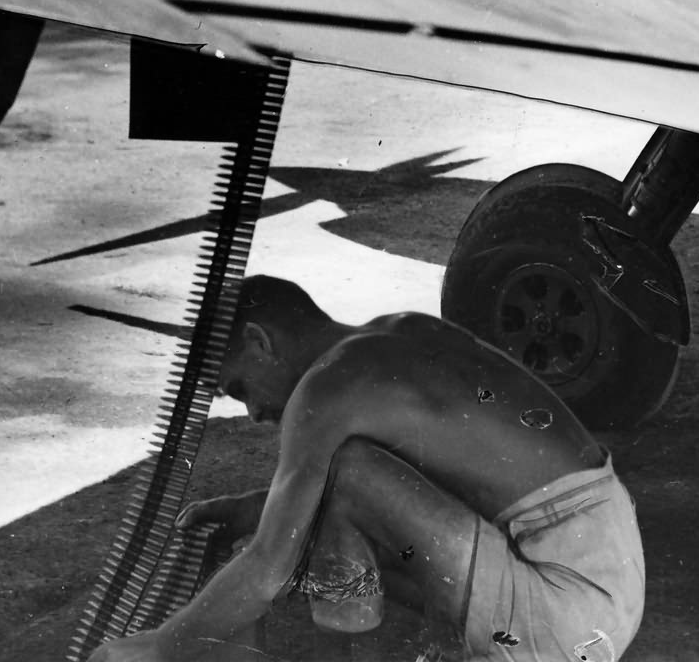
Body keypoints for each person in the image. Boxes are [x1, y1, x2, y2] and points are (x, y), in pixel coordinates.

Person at [87, 275, 646, 661]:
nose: (254, 411)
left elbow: (266, 568)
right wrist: (256, 509)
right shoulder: (396, 331)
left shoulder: (326, 391)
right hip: (605, 586)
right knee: (322, 493)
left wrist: (161, 647)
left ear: (260, 342)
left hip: (562, 609)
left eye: (238, 388)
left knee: (339, 476)